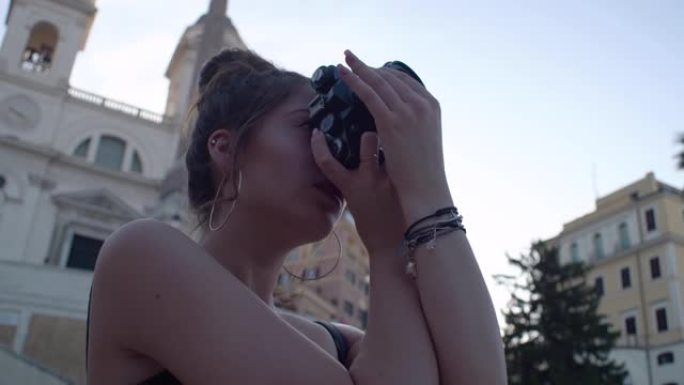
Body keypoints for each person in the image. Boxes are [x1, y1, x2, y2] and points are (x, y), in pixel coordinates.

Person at [85, 48, 507, 385]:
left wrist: (424, 193)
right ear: (225, 147)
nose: (329, 156)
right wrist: (391, 239)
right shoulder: (141, 258)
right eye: (310, 127)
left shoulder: (341, 344)